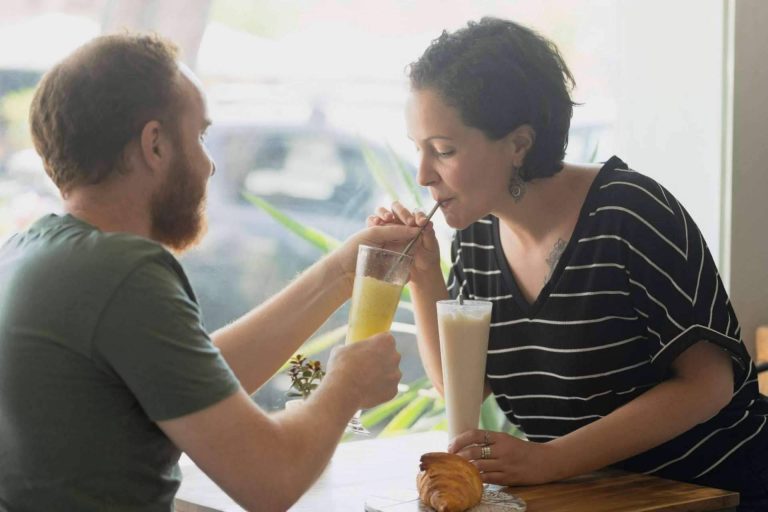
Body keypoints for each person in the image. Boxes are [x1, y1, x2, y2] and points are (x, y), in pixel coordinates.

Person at [0, 33, 425, 512]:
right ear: (154, 144)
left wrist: (342, 273)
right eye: (200, 136)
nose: (209, 164)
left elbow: (194, 377)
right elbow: (272, 480)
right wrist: (345, 385)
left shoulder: (32, 254)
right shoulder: (122, 273)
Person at [370, 17, 768, 510]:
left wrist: (550, 460)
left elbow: (709, 384)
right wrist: (425, 274)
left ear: (519, 143)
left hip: (718, 492)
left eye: (444, 150)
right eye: (418, 149)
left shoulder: (630, 214)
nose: (424, 174)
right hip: (595, 496)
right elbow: (463, 387)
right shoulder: (476, 234)